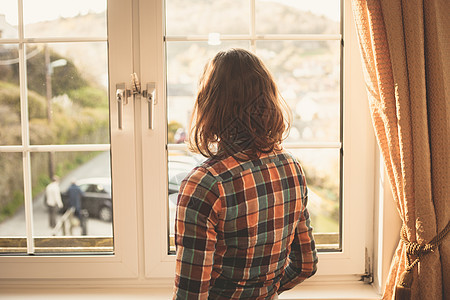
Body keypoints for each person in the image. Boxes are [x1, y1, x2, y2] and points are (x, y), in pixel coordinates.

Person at [173, 48, 318, 299]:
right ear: (268, 99)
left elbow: (190, 295)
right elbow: (306, 264)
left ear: (210, 105)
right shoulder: (291, 168)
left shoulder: (205, 185)